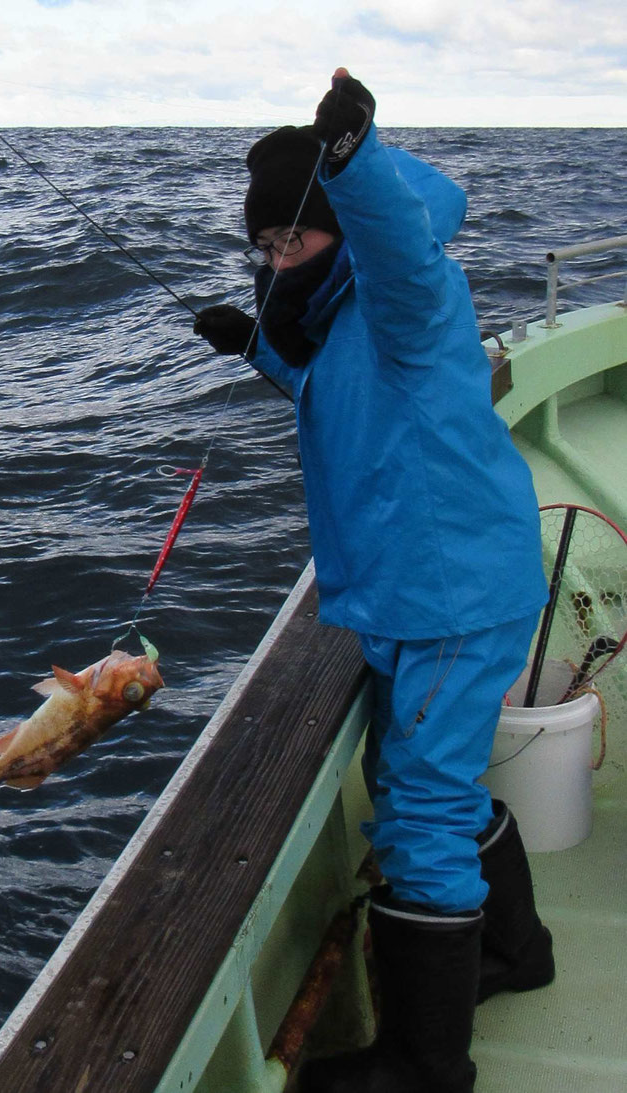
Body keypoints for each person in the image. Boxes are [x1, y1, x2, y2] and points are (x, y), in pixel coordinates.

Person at [193, 69, 555, 1093]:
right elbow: (338, 389)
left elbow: (392, 243)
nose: (278, 258)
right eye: (263, 247)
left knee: (421, 815)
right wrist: (259, 345)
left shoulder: (404, 287)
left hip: (446, 600)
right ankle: (514, 951)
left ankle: (424, 1064)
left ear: (339, 224)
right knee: (428, 778)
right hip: (426, 590)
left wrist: (350, 161)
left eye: (291, 239)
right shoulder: (343, 309)